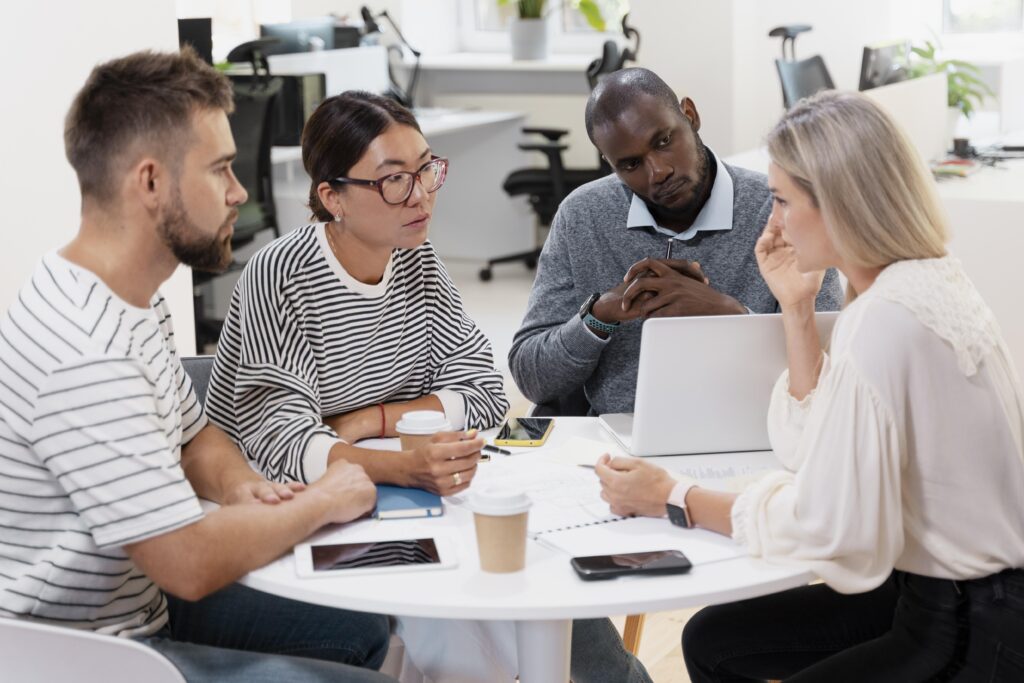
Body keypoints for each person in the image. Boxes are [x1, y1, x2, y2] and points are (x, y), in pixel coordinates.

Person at [596, 91, 1024, 681]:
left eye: (781, 200)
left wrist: (676, 498)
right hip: (932, 590)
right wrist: (795, 308)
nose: (772, 224)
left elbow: (835, 530)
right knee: (715, 639)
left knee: (722, 639)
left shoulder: (887, 318)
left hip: (972, 623)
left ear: (840, 204)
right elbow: (813, 447)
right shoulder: (918, 280)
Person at [0, 49, 393, 682]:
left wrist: (243, 488)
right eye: (221, 170)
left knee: (360, 630)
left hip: (140, 604)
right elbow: (187, 561)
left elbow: (194, 436)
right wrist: (321, 500)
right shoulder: (85, 348)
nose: (240, 192)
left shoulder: (130, 297)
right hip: (79, 653)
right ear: (151, 182)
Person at [206, 91, 507, 496]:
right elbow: (280, 441)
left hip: (361, 471)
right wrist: (403, 467)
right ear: (333, 198)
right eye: (394, 180)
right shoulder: (281, 274)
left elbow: (485, 391)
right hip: (262, 492)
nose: (420, 195)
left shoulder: (417, 259)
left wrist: (369, 420)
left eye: (425, 169)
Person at [509, 68, 842, 416]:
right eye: (631, 164)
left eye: (663, 141)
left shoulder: (781, 209)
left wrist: (733, 316)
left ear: (690, 115)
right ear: (610, 165)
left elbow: (831, 370)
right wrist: (597, 316)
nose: (658, 172)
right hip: (617, 445)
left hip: (758, 435)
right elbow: (533, 378)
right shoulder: (582, 216)